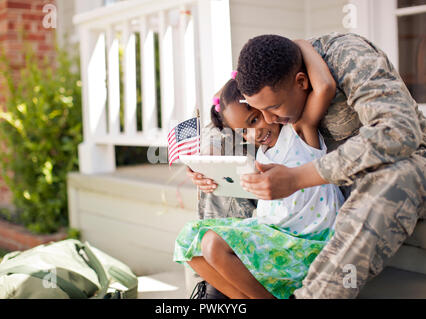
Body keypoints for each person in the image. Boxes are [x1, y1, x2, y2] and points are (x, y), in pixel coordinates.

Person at [234, 33, 426, 298]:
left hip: (402, 164)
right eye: (260, 112)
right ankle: (221, 292)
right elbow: (234, 115)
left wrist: (299, 178)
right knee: (229, 172)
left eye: (275, 107)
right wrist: (208, 160)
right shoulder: (272, 75)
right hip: (331, 184)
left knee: (397, 175)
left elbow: (398, 131)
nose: (270, 119)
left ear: (300, 81)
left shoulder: (347, 54)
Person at [174, 40, 344, 299]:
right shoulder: (257, 155)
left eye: (255, 118)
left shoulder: (299, 130)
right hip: (272, 235)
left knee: (213, 244)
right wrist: (203, 171)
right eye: (244, 131)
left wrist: (300, 45)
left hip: (307, 241)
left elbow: (325, 87)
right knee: (189, 244)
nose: (254, 133)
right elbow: (222, 124)